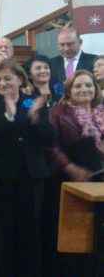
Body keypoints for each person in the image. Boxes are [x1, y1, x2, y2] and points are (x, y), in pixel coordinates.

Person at [0, 59, 53, 276]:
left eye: (7, 78)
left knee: (31, 233)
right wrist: (7, 117)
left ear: (20, 79)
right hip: (1, 179)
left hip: (32, 177)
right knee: (2, 234)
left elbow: (50, 138)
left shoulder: (33, 102)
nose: (1, 83)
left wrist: (35, 118)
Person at [44, 70, 104, 276]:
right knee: (70, 236)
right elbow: (50, 146)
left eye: (88, 85)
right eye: (77, 86)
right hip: (66, 180)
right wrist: (70, 168)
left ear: (95, 88)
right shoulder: (58, 112)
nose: (84, 89)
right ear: (69, 91)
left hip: (98, 181)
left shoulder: (101, 112)